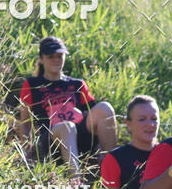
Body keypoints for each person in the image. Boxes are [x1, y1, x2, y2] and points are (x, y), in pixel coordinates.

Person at [18, 36, 117, 176]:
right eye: (50, 56)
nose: (56, 59)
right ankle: (75, 181)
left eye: (59, 55)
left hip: (80, 137)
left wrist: (100, 146)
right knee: (66, 126)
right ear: (41, 59)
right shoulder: (32, 84)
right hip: (51, 140)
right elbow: (25, 121)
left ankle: (110, 167)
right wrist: (26, 152)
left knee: (104, 108)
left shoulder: (77, 84)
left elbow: (92, 114)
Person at [100, 95, 159, 189]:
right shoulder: (115, 158)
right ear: (128, 124)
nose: (150, 124)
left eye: (154, 119)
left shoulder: (169, 152)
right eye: (142, 119)